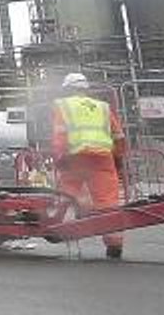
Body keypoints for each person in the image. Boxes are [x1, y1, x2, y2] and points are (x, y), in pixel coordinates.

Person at [51, 72, 127, 259]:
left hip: (75, 157)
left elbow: (60, 135)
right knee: (108, 202)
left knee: (67, 193)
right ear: (86, 88)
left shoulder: (62, 106)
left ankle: (56, 226)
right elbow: (119, 136)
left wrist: (59, 156)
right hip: (102, 158)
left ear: (67, 89)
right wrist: (118, 158)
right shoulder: (103, 107)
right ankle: (114, 244)